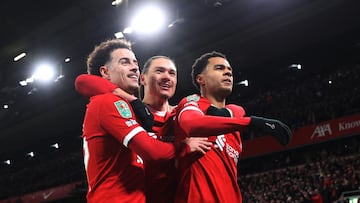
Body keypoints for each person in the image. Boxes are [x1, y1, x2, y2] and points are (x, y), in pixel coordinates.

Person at [78, 39, 211, 203]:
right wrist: (185, 147)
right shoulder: (108, 102)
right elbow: (150, 151)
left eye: (135, 62)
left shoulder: (125, 105)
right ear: (105, 72)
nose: (134, 67)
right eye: (124, 62)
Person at [174, 51, 292, 203]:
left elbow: (233, 111)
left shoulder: (234, 117)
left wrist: (239, 118)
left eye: (230, 70)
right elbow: (190, 124)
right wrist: (251, 122)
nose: (228, 72)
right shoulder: (192, 102)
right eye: (219, 68)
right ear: (200, 79)